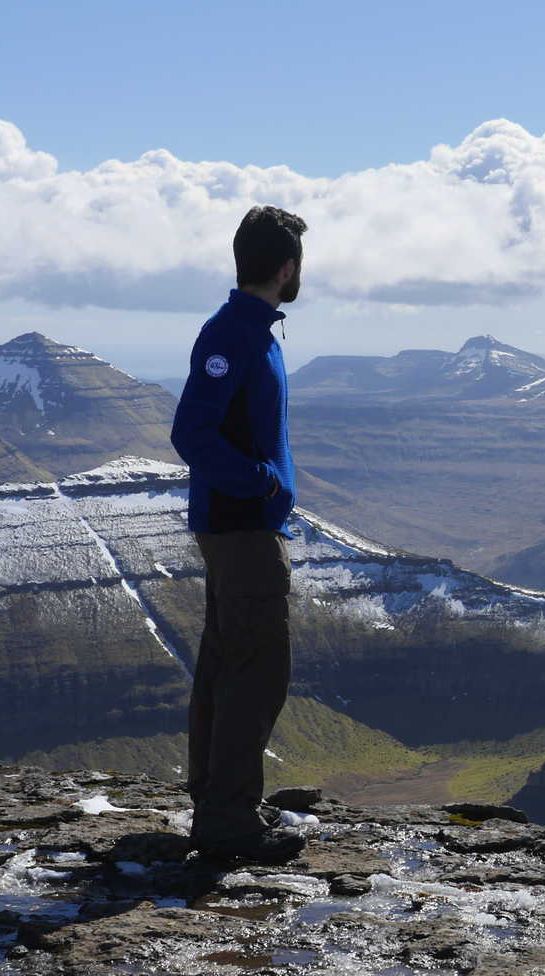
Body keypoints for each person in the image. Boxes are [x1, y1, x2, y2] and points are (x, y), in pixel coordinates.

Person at [169, 205, 308, 863]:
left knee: (229, 662)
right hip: (243, 528)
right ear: (286, 268)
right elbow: (190, 432)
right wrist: (259, 482)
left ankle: (215, 800)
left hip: (241, 524)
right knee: (259, 669)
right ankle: (229, 821)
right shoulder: (234, 336)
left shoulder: (252, 332)